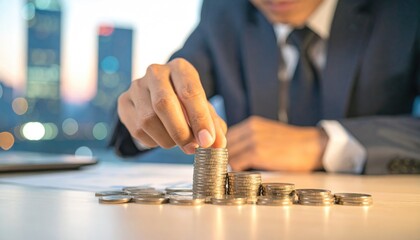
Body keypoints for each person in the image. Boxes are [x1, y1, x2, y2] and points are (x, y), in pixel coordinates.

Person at [111, 0, 420, 174]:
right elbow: (166, 94)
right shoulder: (225, 12)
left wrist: (325, 143)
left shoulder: (404, 12)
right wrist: (148, 107)